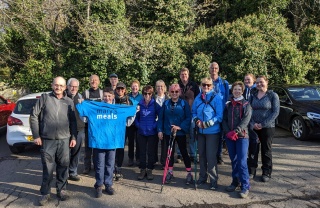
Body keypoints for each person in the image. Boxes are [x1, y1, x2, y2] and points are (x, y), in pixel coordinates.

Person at [76, 87, 136, 198]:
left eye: (109, 96)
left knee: (110, 165)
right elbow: (85, 119)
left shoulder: (118, 108)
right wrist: (82, 105)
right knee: (99, 165)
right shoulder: (95, 107)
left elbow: (128, 122)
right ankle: (98, 185)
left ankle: (108, 184)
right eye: (105, 96)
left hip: (112, 143)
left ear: (113, 96)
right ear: (102, 97)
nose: (107, 98)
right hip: (99, 142)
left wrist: (134, 111)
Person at [30, 76, 77, 206]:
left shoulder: (69, 102)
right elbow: (34, 115)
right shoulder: (45, 98)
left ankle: (61, 190)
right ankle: (45, 193)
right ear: (52, 85)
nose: (58, 88)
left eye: (61, 86)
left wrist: (73, 137)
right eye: (56, 85)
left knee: (63, 166)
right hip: (47, 140)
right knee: (48, 169)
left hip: (64, 140)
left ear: (65, 88)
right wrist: (36, 135)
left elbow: (73, 121)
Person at [157, 84, 193, 185]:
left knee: (184, 152)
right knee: (170, 154)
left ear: (179, 92)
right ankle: (170, 172)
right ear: (169, 92)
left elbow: (188, 117)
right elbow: (161, 118)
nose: (174, 94)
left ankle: (189, 173)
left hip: (180, 132)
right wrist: (160, 130)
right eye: (172, 92)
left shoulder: (184, 103)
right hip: (168, 132)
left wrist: (180, 126)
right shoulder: (166, 103)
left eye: (176, 92)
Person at [192, 77, 223, 190]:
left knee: (211, 156)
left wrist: (209, 123)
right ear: (201, 86)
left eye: (208, 85)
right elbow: (194, 112)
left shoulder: (217, 98)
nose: (206, 87)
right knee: (202, 155)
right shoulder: (198, 98)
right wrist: (197, 120)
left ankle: (213, 180)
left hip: (212, 132)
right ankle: (202, 177)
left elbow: (219, 116)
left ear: (212, 86)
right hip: (200, 131)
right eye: (204, 85)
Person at [247, 75, 280, 182]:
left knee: (266, 150)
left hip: (268, 127)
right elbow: (248, 111)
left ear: (266, 82)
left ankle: (266, 172)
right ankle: (251, 170)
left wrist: (262, 124)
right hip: (254, 127)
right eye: (257, 83)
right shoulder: (253, 95)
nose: (259, 84)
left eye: (261, 82)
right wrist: (252, 123)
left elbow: (275, 112)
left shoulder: (272, 95)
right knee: (253, 149)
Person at [222, 81, 252, 198]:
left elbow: (246, 120)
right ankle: (235, 181)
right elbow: (224, 119)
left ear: (242, 91)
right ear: (232, 90)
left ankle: (245, 185)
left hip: (242, 137)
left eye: (239, 89)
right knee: (233, 160)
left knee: (242, 161)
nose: (237, 91)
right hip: (230, 136)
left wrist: (236, 131)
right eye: (235, 89)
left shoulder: (246, 104)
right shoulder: (228, 104)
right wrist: (228, 132)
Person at [135, 85, 161, 180]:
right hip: (141, 132)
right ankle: (142, 169)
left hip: (152, 133)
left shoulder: (155, 104)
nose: (147, 95)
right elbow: (135, 117)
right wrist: (138, 125)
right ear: (143, 94)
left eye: (149, 93)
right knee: (142, 151)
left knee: (151, 152)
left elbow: (160, 116)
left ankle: (149, 169)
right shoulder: (139, 104)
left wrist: (154, 126)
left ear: (152, 94)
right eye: (145, 93)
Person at [177, 67, 200, 163]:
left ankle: (193, 154)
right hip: (180, 113)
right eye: (182, 74)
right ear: (180, 76)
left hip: (191, 113)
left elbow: (198, 99)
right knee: (180, 133)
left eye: (185, 74)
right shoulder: (177, 86)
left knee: (192, 134)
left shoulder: (194, 85)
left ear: (188, 75)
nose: (184, 76)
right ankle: (179, 154)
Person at [209, 62, 230, 165]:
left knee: (221, 134)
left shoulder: (224, 83)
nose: (214, 70)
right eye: (212, 68)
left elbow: (227, 98)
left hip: (221, 112)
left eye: (216, 68)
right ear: (209, 69)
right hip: (209, 112)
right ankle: (211, 155)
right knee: (211, 134)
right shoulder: (206, 82)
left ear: (218, 69)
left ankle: (219, 155)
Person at [82, 74, 104, 174]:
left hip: (99, 126)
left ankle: (97, 166)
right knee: (87, 148)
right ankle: (87, 167)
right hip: (88, 126)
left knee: (97, 147)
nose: (93, 82)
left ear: (99, 82)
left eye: (95, 80)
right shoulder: (85, 93)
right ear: (89, 82)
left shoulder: (102, 93)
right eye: (92, 80)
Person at [66, 78, 85, 181]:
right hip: (65, 130)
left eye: (76, 86)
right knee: (64, 153)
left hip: (79, 129)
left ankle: (73, 172)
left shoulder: (81, 98)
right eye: (71, 86)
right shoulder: (63, 97)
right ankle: (64, 173)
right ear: (67, 86)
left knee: (76, 152)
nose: (73, 88)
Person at [114, 82, 133, 180]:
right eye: (118, 89)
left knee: (121, 148)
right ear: (116, 90)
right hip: (112, 127)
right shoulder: (112, 100)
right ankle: (112, 168)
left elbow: (132, 114)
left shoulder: (129, 101)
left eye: (122, 89)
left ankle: (119, 168)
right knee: (113, 147)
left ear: (125, 90)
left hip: (124, 128)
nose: (120, 91)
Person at [154, 79, 170, 168]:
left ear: (164, 88)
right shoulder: (153, 98)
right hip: (154, 123)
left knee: (165, 144)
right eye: (158, 86)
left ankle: (164, 162)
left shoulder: (168, 99)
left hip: (165, 124)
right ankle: (154, 160)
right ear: (156, 88)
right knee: (154, 143)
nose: (160, 88)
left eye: (161, 86)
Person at [127, 80, 143, 166]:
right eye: (133, 86)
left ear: (138, 87)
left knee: (138, 141)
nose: (134, 87)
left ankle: (138, 158)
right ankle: (130, 158)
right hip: (130, 122)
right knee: (130, 142)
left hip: (139, 121)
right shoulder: (127, 97)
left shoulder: (141, 97)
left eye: (136, 86)